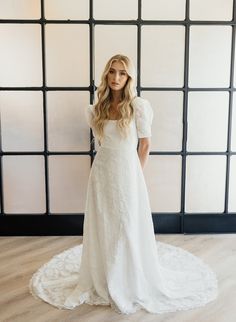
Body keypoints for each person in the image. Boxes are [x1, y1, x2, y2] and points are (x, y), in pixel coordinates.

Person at [29, 54, 218, 315]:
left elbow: (146, 144)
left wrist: (135, 176)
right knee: (103, 223)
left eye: (122, 73)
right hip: (102, 173)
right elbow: (103, 144)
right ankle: (104, 276)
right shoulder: (97, 109)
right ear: (106, 75)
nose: (116, 78)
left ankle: (129, 278)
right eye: (112, 72)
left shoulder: (138, 105)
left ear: (129, 78)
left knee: (126, 224)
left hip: (127, 173)